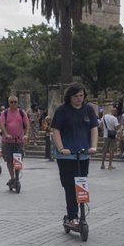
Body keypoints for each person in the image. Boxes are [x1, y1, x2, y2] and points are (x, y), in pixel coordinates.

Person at [51, 83, 98, 227]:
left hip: (83, 153)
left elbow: (94, 128)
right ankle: (72, 216)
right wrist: (61, 148)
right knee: (69, 185)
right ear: (69, 97)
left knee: (81, 184)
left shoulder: (88, 109)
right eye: (76, 96)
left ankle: (81, 213)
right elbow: (56, 130)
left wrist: (93, 146)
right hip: (67, 155)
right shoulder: (62, 110)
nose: (79, 99)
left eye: (81, 96)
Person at [0, 95, 30, 188]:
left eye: (15, 102)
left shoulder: (21, 112)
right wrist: (6, 133)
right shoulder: (4, 113)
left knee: (18, 160)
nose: (13, 104)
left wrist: (26, 134)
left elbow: (27, 124)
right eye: (11, 102)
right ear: (9, 103)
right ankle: (12, 177)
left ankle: (17, 178)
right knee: (9, 160)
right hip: (7, 141)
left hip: (18, 140)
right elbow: (2, 124)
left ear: (17, 103)